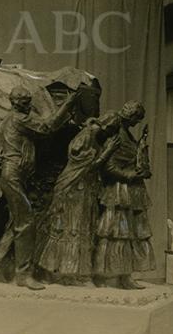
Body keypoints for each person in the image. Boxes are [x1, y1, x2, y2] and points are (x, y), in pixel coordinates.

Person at [0, 86, 78, 290]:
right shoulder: (18, 119)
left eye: (28, 100)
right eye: (25, 102)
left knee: (15, 224)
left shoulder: (6, 121)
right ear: (16, 103)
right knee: (26, 223)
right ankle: (23, 275)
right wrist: (67, 106)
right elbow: (48, 126)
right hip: (13, 175)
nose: (28, 105)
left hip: (14, 175)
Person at [36, 113, 121, 286]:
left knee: (81, 230)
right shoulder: (86, 137)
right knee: (70, 229)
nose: (110, 135)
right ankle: (63, 273)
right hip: (73, 188)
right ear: (106, 126)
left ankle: (74, 273)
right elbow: (87, 166)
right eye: (111, 130)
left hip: (84, 189)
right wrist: (107, 151)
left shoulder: (94, 136)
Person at [93, 100, 155, 289]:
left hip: (132, 189)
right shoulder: (116, 132)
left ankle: (125, 276)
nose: (137, 123)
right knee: (115, 232)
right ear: (132, 116)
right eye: (136, 119)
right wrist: (129, 174)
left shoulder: (126, 132)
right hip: (118, 189)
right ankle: (103, 275)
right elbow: (108, 166)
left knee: (130, 234)